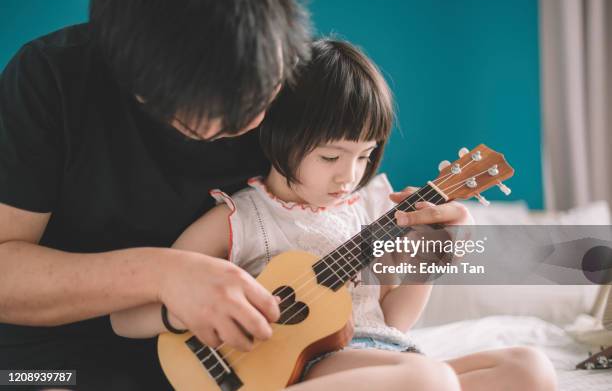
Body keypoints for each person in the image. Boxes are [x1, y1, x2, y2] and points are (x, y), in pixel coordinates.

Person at [112, 39, 558, 391]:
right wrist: (198, 311)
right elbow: (126, 317)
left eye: (365, 156)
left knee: (529, 368)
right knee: (428, 380)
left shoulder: (371, 206)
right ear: (280, 135)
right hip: (304, 372)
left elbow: (393, 321)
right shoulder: (241, 220)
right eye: (330, 157)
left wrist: (431, 260)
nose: (350, 175)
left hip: (386, 358)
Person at [0, 0, 310, 389]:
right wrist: (164, 274)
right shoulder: (51, 76)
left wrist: (416, 254)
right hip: (48, 358)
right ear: (133, 82)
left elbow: (341, 218)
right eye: (214, 112)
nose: (246, 124)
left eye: (261, 97)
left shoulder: (304, 78)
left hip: (226, 354)